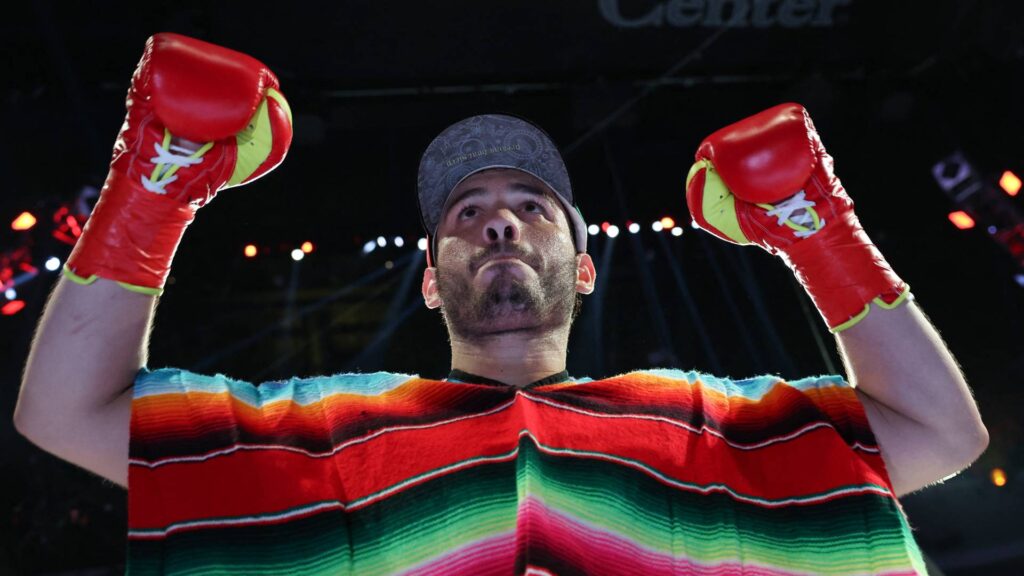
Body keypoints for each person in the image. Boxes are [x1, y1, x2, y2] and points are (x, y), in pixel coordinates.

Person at [13, 33, 988, 576]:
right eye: (468, 212)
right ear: (431, 278)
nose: (500, 224)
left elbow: (941, 435)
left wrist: (817, 228)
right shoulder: (322, 433)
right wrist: (153, 188)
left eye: (532, 207)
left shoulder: (710, 426)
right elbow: (63, 413)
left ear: (587, 265)